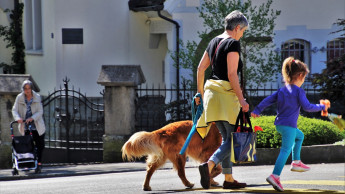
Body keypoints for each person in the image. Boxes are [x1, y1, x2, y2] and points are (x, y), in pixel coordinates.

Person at [251, 57, 328, 192]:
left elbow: (268, 100)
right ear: (300, 76)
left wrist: (257, 110)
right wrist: (322, 107)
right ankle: (275, 176)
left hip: (280, 125)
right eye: (304, 77)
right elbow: (307, 107)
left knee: (300, 136)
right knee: (285, 150)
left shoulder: (282, 90)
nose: (304, 80)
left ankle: (296, 162)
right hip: (289, 126)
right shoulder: (299, 91)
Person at [195, 10, 249, 189]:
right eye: (243, 31)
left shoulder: (213, 41)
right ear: (238, 27)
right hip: (226, 95)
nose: (242, 35)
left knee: (227, 138)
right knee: (234, 139)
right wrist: (242, 100)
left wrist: (200, 95)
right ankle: (209, 165)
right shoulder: (233, 43)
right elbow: (232, 74)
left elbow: (201, 68)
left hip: (211, 95)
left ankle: (229, 179)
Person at [12, 80, 46, 173]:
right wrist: (18, 118)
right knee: (27, 146)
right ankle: (28, 164)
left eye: (29, 88)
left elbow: (40, 111)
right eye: (25, 88)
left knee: (40, 145)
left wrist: (32, 118)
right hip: (25, 126)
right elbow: (14, 110)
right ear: (23, 89)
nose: (27, 90)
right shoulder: (19, 97)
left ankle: (39, 163)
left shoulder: (37, 97)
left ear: (31, 89)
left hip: (37, 126)